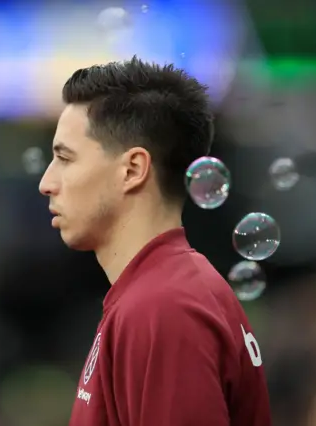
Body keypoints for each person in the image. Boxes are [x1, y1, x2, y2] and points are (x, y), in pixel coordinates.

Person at [38, 56, 271, 426]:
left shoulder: (164, 307)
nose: (46, 183)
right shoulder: (162, 293)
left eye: (65, 158)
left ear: (132, 169)